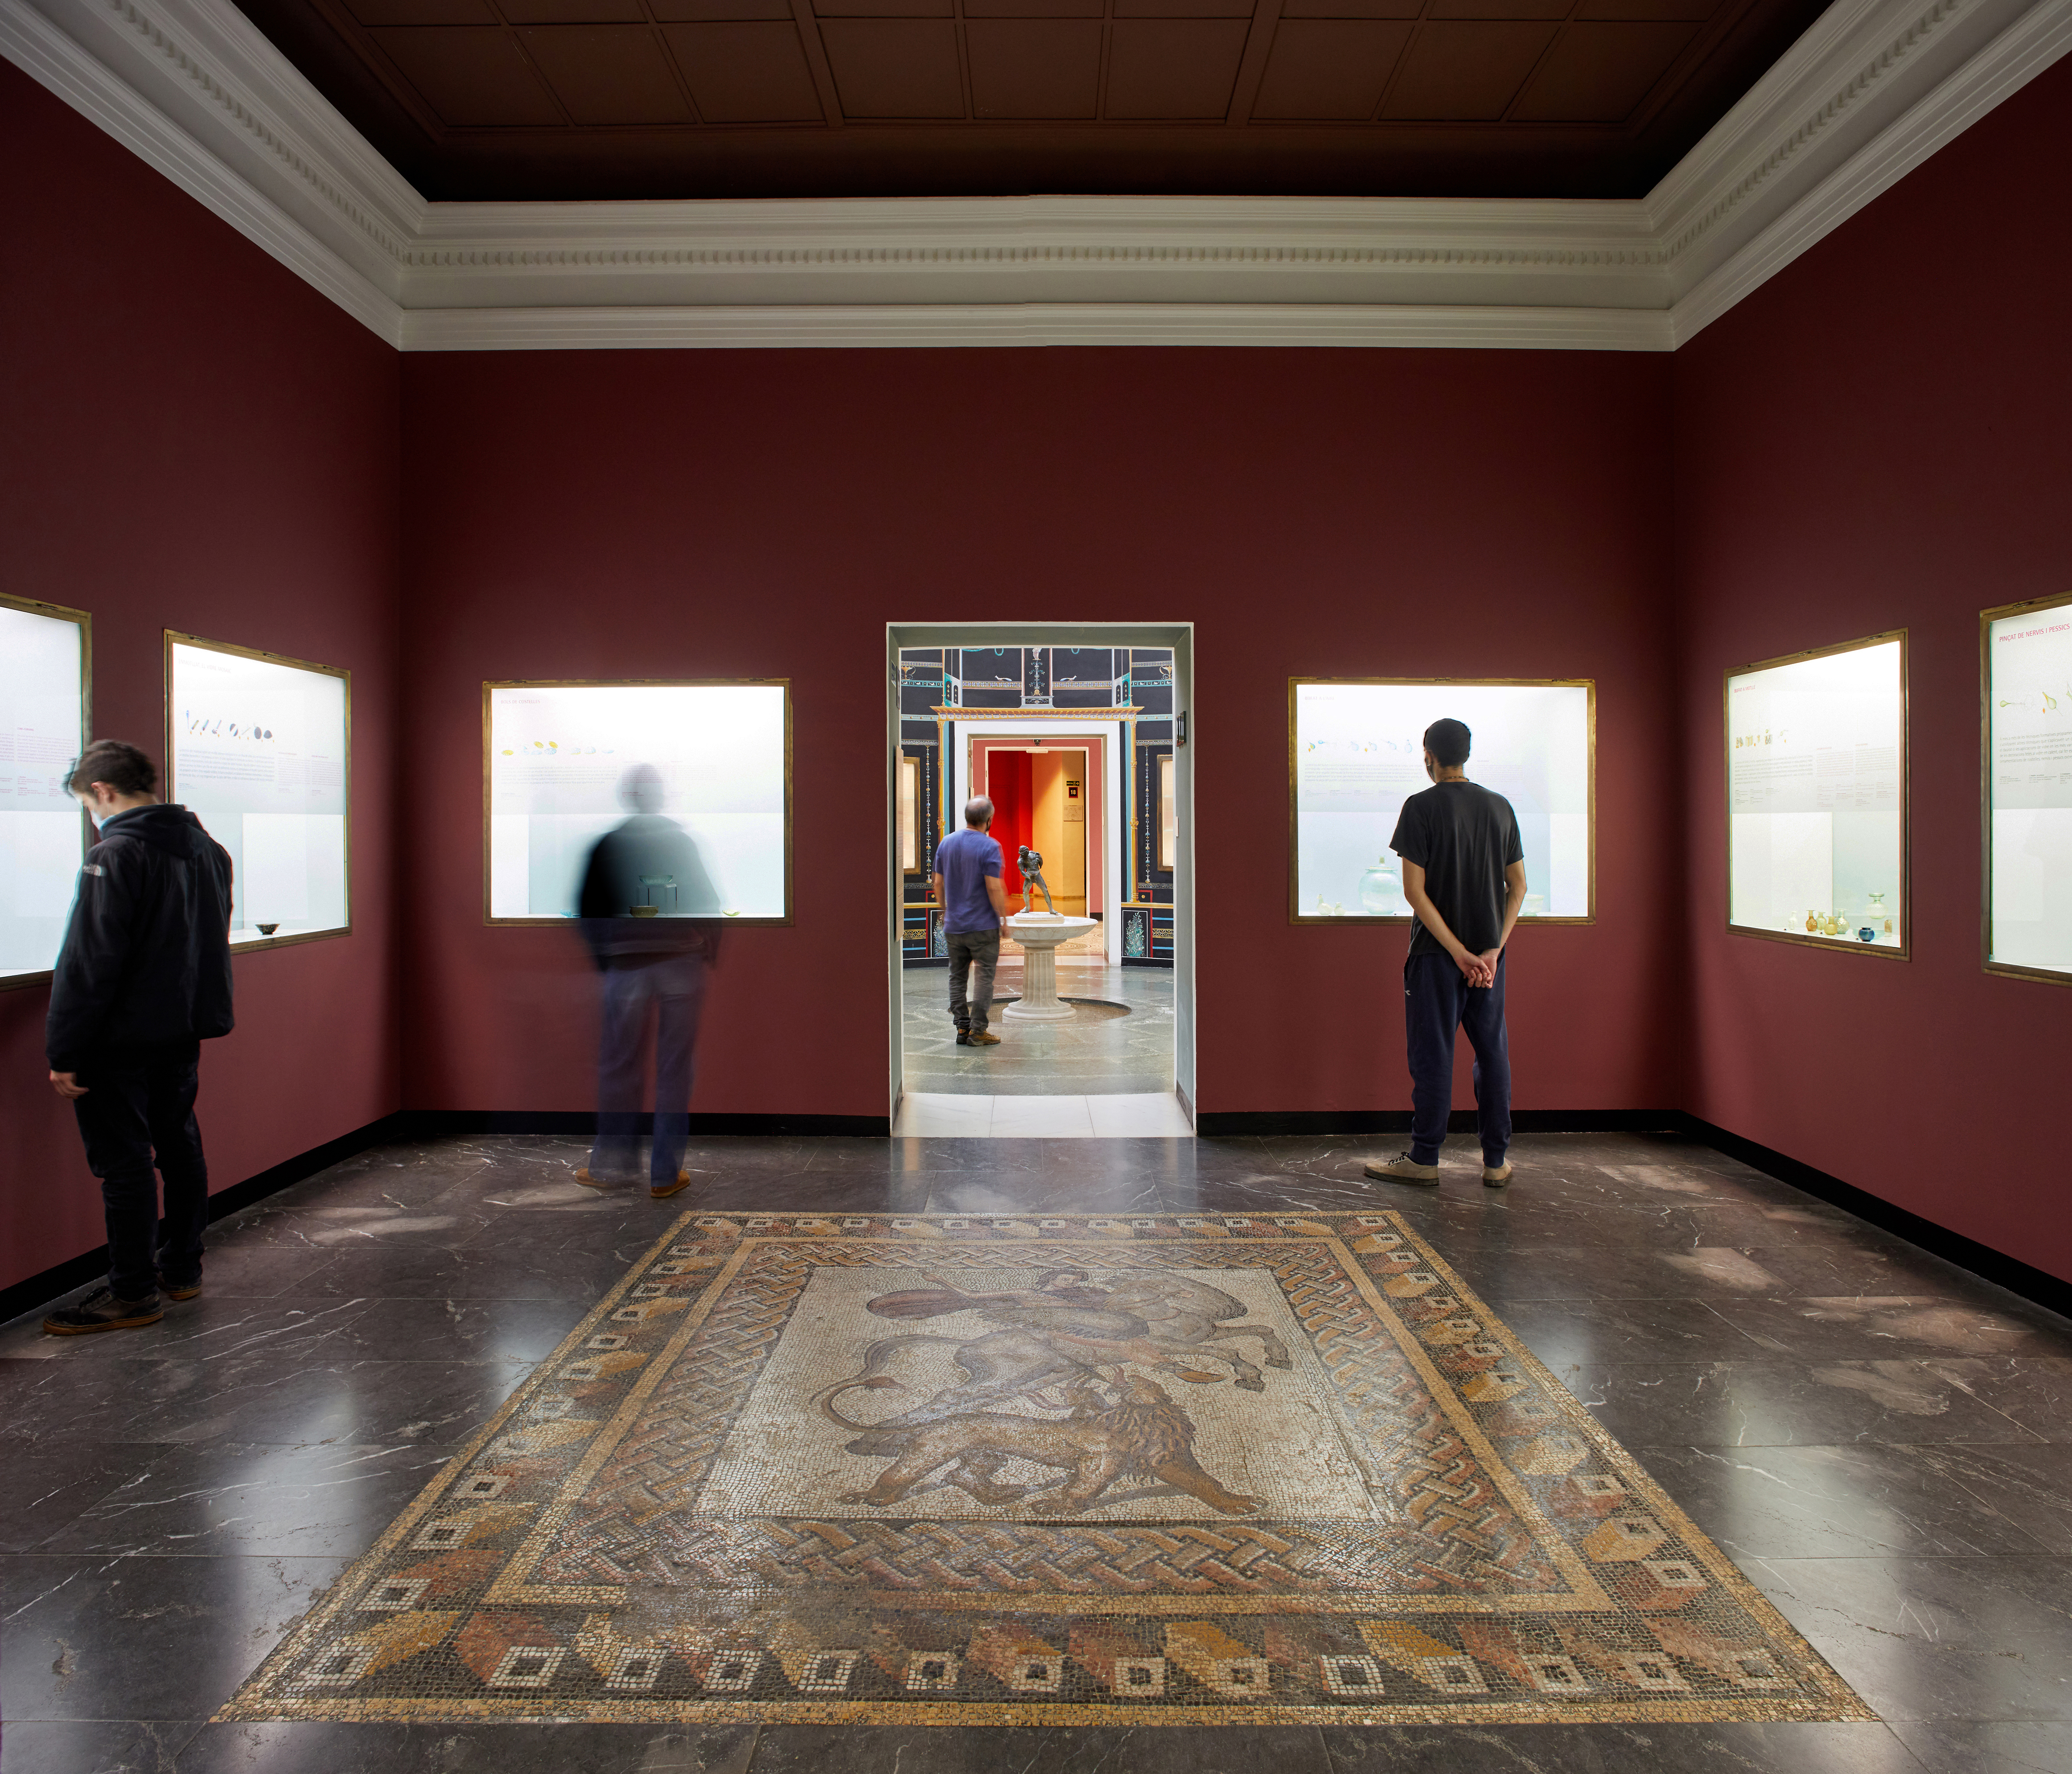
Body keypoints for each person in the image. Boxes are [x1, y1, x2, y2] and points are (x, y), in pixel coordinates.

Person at [43, 740, 235, 1334]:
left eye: (86, 803)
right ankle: (181, 1269)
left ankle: (131, 1291)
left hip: (118, 1039)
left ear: (101, 792)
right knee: (179, 1146)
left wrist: (65, 1049)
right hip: (180, 1030)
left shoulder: (116, 853)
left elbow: (90, 961)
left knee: (124, 1163)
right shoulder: (209, 850)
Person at [1367, 718, 1526, 1191]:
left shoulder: (1420, 807)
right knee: (1492, 1053)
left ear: (1428, 756)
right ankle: (1495, 1162)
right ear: (1467, 754)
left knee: (1433, 1055)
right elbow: (1516, 887)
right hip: (1488, 960)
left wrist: (1457, 952)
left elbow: (1414, 893)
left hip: (1437, 958)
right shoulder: (1500, 807)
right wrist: (1492, 950)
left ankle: (1424, 1158)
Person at [574, 764, 722, 1199]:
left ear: (628, 797)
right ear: (660, 797)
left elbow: (588, 909)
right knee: (675, 1070)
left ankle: (611, 1167)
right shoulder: (679, 839)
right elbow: (706, 899)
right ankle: (664, 1174)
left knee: (620, 1066)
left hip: (627, 968)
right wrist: (710, 949)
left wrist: (604, 957)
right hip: (681, 965)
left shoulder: (608, 843)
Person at [932, 795, 1010, 1048]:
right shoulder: (989, 846)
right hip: (983, 927)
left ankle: (962, 1029)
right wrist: (1003, 919)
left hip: (954, 927)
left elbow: (938, 883)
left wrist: (946, 911)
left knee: (957, 976)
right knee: (984, 978)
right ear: (989, 820)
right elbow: (994, 887)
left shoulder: (947, 843)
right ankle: (979, 1031)